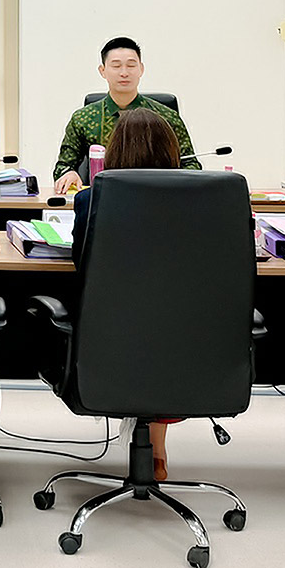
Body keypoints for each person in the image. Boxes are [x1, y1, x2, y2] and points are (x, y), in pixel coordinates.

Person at [67, 107, 186, 480]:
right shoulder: (198, 200)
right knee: (164, 323)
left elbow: (81, 260)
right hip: (182, 342)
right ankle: (157, 449)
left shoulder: (92, 200)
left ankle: (152, 447)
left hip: (109, 339)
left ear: (114, 151)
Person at [51, 37, 196, 192]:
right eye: (116, 66)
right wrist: (69, 173)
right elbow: (62, 167)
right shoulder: (83, 118)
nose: (124, 73)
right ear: (102, 71)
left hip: (158, 195)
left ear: (141, 69)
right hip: (105, 197)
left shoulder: (166, 116)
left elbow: (192, 166)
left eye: (131, 65)